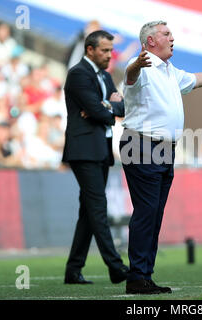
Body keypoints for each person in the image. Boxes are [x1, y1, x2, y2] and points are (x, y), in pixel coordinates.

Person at [119, 20, 202, 294]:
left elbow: (195, 80)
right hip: (141, 144)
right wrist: (134, 65)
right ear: (150, 41)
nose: (172, 38)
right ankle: (136, 277)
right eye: (166, 34)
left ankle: (144, 275)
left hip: (163, 149)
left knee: (153, 214)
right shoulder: (141, 65)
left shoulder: (169, 70)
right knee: (146, 212)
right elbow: (129, 76)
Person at [62, 30, 128, 285]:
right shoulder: (78, 74)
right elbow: (95, 110)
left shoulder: (104, 75)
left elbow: (120, 108)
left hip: (100, 148)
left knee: (89, 211)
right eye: (105, 50)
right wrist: (105, 107)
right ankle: (116, 267)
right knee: (98, 208)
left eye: (110, 50)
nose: (109, 55)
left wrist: (105, 107)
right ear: (90, 50)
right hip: (84, 150)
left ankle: (73, 270)